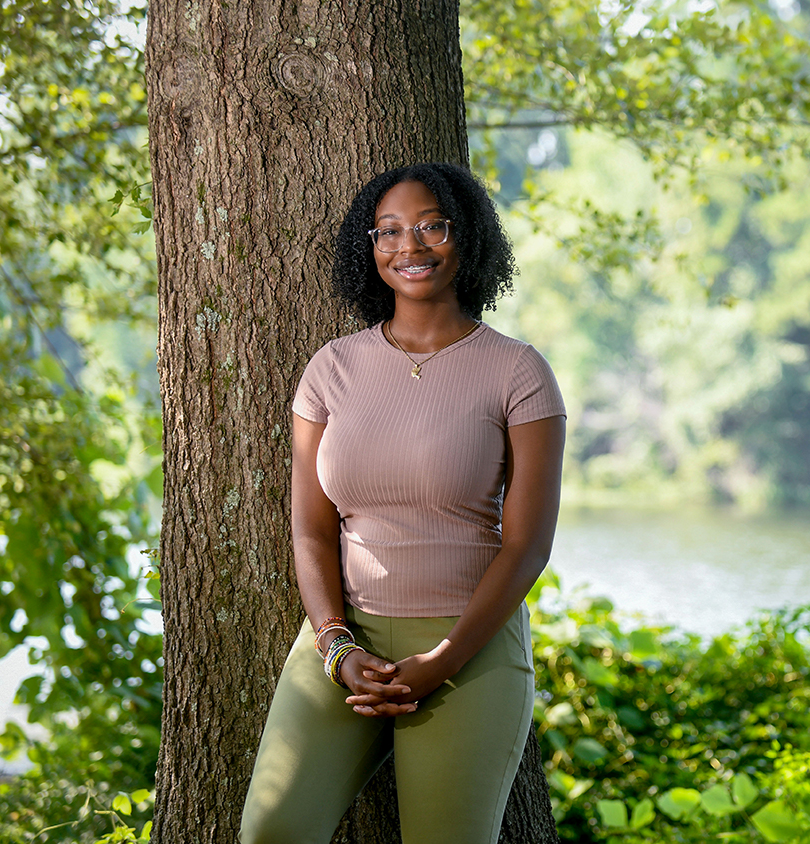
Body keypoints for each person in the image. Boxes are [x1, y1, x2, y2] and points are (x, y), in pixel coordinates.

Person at [240, 162, 567, 844]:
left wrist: (442, 660)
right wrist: (334, 644)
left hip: (468, 650)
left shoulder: (516, 371)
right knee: (271, 833)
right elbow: (310, 530)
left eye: (430, 226)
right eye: (389, 231)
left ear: (465, 237)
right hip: (344, 642)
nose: (409, 246)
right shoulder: (332, 368)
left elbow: (528, 545)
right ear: (370, 247)